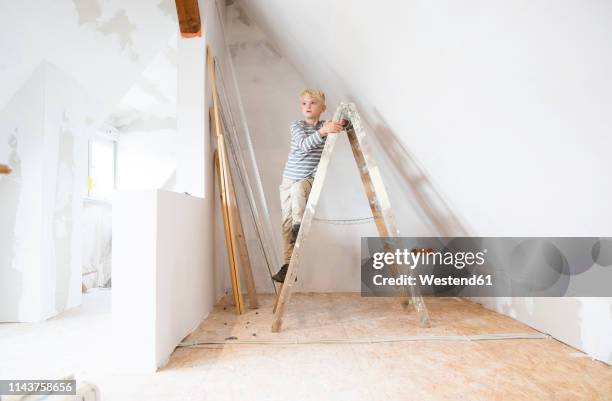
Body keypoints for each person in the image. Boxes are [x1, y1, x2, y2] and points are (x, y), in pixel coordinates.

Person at [272, 89, 348, 283]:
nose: (307, 106)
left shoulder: (325, 125)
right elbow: (304, 145)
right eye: (304, 103)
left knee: (299, 191)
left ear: (322, 108)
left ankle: (299, 225)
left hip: (307, 179)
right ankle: (289, 265)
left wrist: (342, 124)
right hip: (287, 181)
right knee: (285, 224)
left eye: (312, 103)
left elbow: (339, 126)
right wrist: (324, 131)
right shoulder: (297, 126)